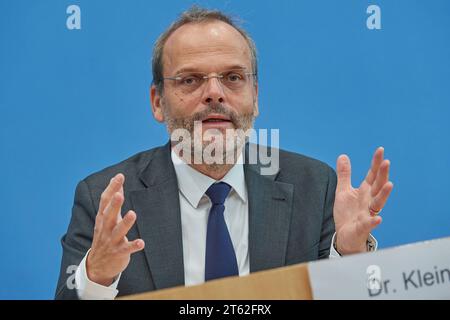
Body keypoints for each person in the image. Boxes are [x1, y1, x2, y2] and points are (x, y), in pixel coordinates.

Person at [55, 6, 393, 300]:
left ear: (255, 96)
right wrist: (97, 277)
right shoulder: (106, 197)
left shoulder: (314, 185)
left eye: (233, 77)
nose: (215, 93)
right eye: (190, 80)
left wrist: (349, 255)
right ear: (158, 102)